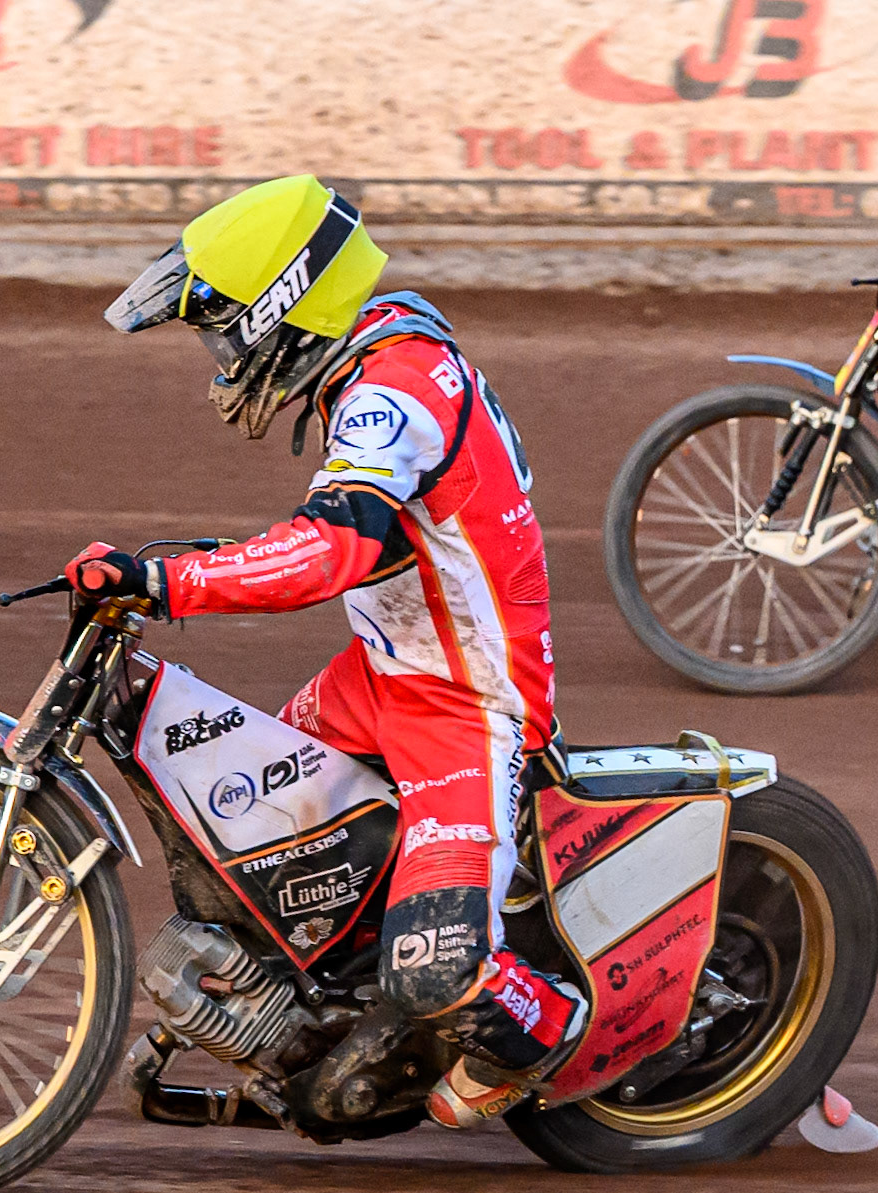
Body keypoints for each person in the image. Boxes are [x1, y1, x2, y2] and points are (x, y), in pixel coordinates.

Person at [61, 175, 582, 1127]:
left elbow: (332, 548)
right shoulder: (376, 357)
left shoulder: (392, 392)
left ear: (285, 308)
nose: (221, 356)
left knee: (436, 971)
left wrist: (168, 581)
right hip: (380, 677)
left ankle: (554, 1032)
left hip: (466, 702)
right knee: (245, 845)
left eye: (224, 330)